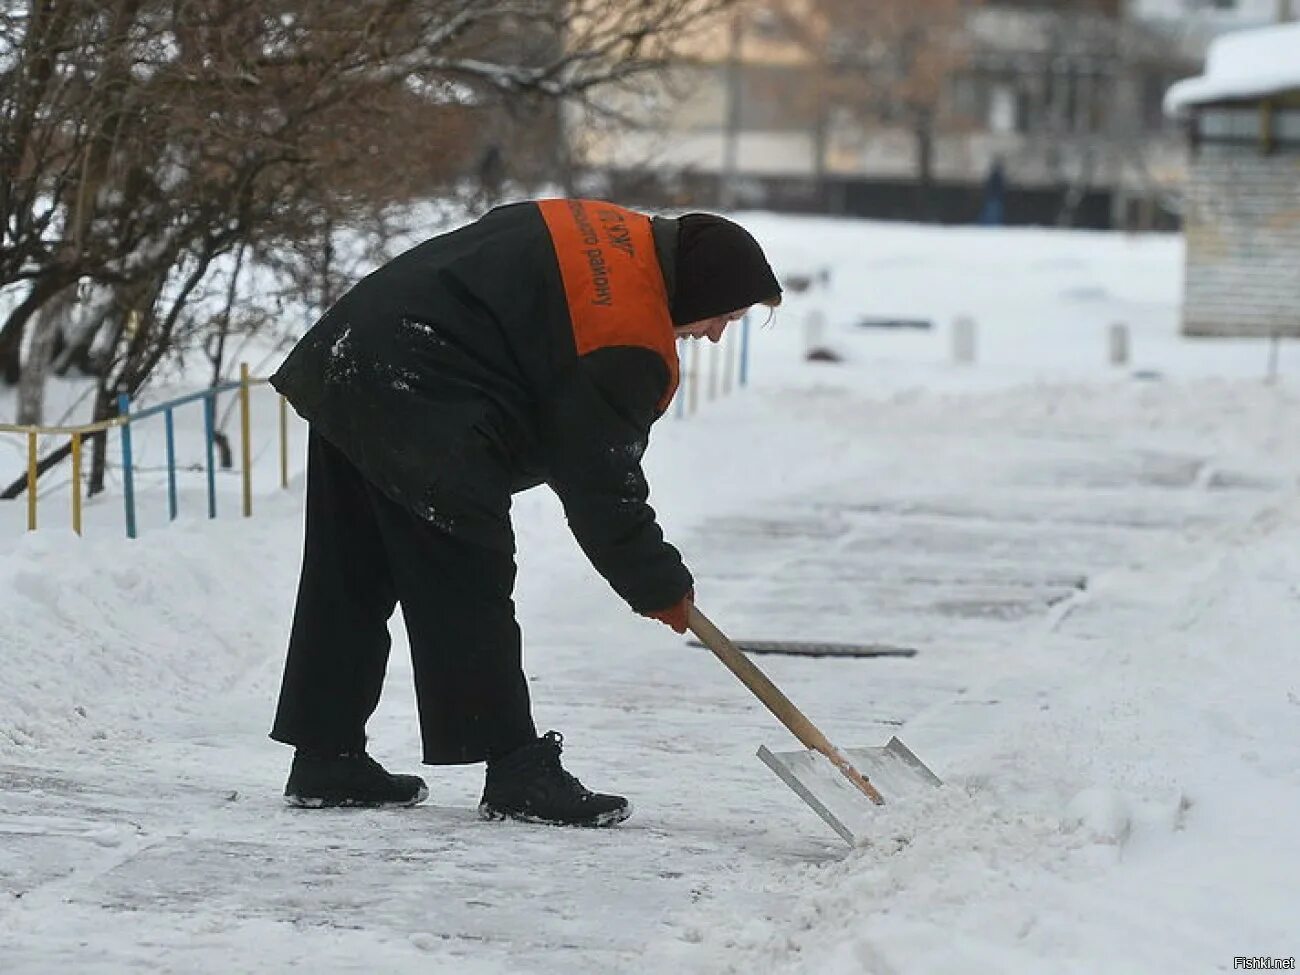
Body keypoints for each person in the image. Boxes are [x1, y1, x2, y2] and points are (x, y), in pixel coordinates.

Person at [268, 198, 782, 827]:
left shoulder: (605, 228)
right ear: (700, 287)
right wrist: (658, 584)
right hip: (420, 387)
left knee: (350, 570)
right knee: (469, 579)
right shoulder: (625, 333)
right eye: (723, 315)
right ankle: (517, 771)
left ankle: (327, 754)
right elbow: (601, 484)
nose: (714, 334)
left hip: (350, 355)